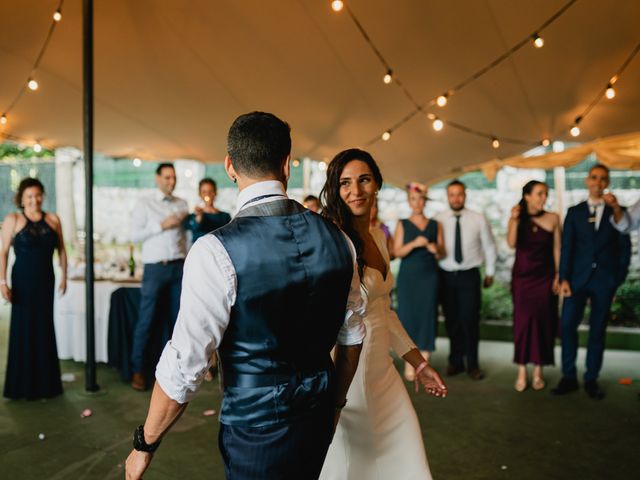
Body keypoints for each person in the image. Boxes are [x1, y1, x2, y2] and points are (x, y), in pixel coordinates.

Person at [125, 112, 366, 480]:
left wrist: (146, 443)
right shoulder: (340, 241)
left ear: (229, 167)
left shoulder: (214, 251)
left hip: (256, 430)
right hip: (318, 416)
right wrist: (335, 405)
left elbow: (186, 365)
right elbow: (351, 337)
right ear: (287, 164)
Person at [319, 149, 447, 480]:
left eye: (364, 180)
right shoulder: (333, 241)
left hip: (383, 371)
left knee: (407, 453)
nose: (355, 191)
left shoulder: (379, 236)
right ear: (335, 188)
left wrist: (418, 362)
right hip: (349, 370)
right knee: (349, 465)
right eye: (345, 183)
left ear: (377, 184)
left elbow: (383, 312)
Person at [552, 164, 630, 400]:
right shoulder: (574, 212)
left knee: (598, 331)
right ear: (587, 180)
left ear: (607, 182)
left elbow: (624, 250)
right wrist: (564, 278)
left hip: (604, 281)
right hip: (576, 280)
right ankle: (568, 376)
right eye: (594, 177)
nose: (598, 182)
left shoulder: (618, 212)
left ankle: (591, 379)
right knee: (567, 327)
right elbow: (567, 248)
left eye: (603, 178)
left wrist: (616, 281)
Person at [1, 178, 67, 400]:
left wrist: (64, 276)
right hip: (22, 282)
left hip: (45, 281)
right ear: (21, 198)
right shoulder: (14, 219)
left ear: (43, 196)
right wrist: (2, 282)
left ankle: (47, 385)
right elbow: (3, 252)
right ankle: (21, 386)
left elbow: (63, 251)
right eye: (29, 196)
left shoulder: (53, 219)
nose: (34, 200)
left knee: (44, 328)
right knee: (23, 329)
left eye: (37, 195)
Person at [129, 163, 189, 391]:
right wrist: (161, 225)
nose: (171, 182)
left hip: (179, 268)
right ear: (157, 178)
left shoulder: (182, 204)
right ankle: (138, 371)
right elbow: (134, 236)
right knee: (147, 320)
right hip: (155, 269)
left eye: (173, 178)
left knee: (179, 322)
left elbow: (186, 237)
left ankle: (178, 373)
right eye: (166, 178)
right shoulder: (144, 203)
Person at [435, 179, 497, 380]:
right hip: (445, 275)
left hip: (469, 275)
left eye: (459, 194)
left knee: (470, 320)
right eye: (452, 194)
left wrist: (490, 272)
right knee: (452, 320)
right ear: (447, 197)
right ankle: (455, 362)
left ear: (465, 195)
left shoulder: (478, 218)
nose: (456, 198)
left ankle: (473, 365)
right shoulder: (438, 220)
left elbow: (489, 246)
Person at [507, 180, 561, 392]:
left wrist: (559, 275)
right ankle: (521, 371)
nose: (543, 198)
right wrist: (513, 219)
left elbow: (558, 249)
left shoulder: (553, 218)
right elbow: (511, 243)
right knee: (522, 324)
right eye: (539, 194)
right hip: (522, 279)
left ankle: (538, 371)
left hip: (545, 278)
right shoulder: (517, 217)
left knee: (544, 324)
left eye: (545, 194)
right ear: (527, 196)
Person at [394, 182, 444, 381]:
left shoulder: (435, 224)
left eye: (421, 199)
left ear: (425, 201)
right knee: (407, 316)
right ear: (409, 201)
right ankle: (410, 362)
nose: (417, 203)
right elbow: (397, 252)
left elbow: (442, 251)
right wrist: (414, 243)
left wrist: (434, 248)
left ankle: (424, 362)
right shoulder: (402, 224)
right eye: (414, 199)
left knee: (427, 316)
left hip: (429, 276)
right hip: (408, 276)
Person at [184, 178, 231, 244]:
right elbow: (194, 228)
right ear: (200, 194)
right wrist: (199, 217)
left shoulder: (225, 217)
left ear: (215, 193)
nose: (207, 195)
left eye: (210, 191)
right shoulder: (194, 216)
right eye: (204, 192)